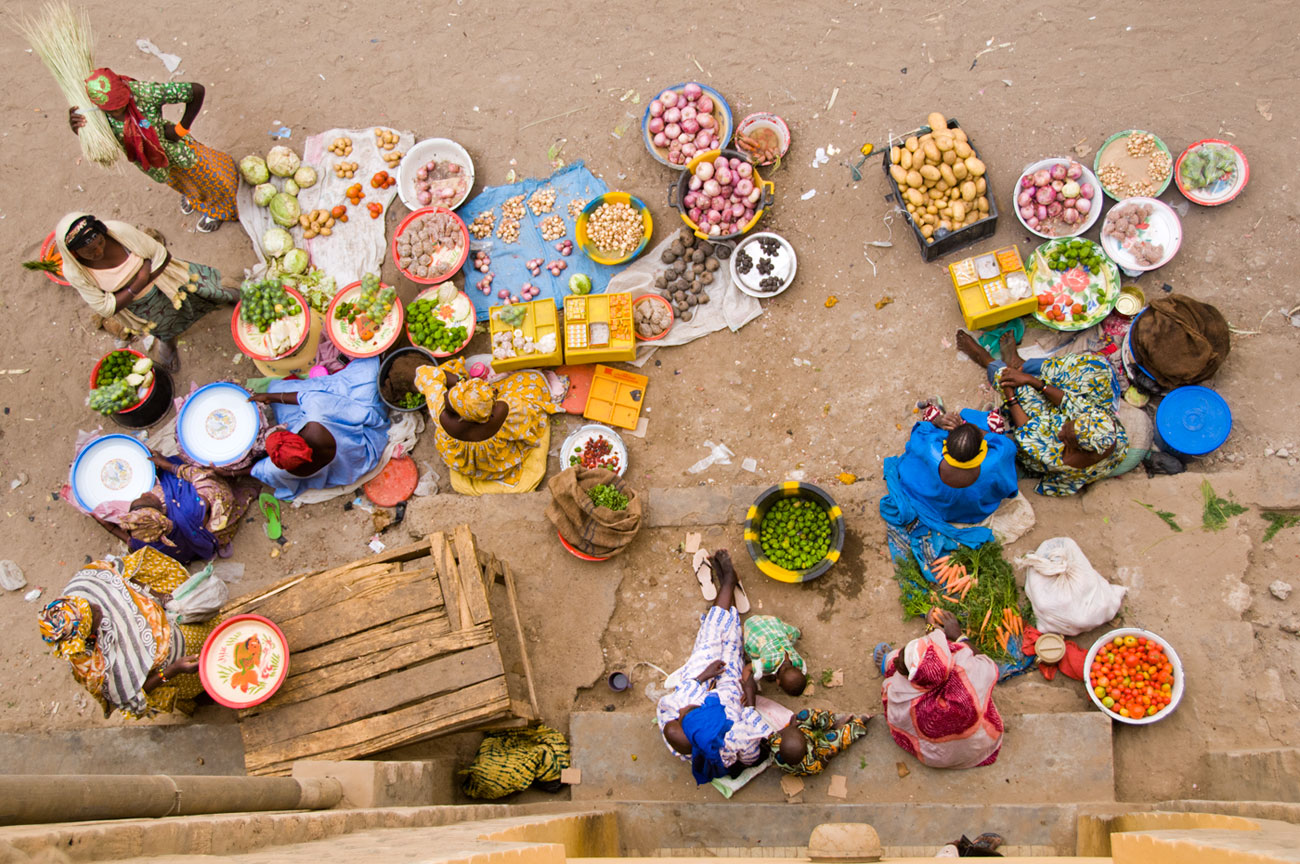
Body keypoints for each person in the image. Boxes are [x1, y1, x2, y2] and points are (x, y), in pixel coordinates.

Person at [38, 547, 220, 718]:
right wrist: (173, 670)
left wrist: (155, 594)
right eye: (94, 615)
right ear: (89, 633)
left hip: (181, 628)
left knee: (219, 640)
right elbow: (133, 694)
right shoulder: (100, 672)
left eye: (91, 605)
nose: (97, 607)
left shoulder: (83, 591)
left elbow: (120, 576)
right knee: (209, 680)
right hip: (177, 668)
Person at [54, 213, 237, 369]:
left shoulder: (118, 232)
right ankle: (168, 343)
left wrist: (130, 288)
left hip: (167, 277)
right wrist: (140, 280)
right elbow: (105, 308)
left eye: (100, 242)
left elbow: (161, 256)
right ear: (75, 254)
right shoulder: (75, 272)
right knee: (165, 326)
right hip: (141, 306)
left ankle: (229, 294)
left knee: (205, 290)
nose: (98, 251)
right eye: (89, 251)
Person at [957, 331, 1128, 497]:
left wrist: (1010, 396)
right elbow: (1069, 402)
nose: (1062, 433)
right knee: (1097, 370)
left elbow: (1027, 431)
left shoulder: (1057, 457)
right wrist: (1034, 381)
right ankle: (1021, 365)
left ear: (1078, 448)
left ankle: (988, 361)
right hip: (1063, 422)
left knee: (1015, 385)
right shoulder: (1103, 429)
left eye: (1066, 438)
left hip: (1034, 437)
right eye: (1068, 426)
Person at [657, 551, 776, 784]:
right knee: (731, 645)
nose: (683, 711)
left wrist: (704, 676)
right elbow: (755, 743)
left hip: (698, 680)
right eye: (690, 711)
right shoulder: (734, 739)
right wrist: (749, 692)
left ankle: (728, 585)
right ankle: (729, 586)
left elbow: (684, 696)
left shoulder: (676, 715)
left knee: (710, 637)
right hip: (731, 692)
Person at [72, 68, 238, 232]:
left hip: (176, 151)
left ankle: (219, 210)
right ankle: (196, 199)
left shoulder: (145, 93)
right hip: (152, 163)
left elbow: (196, 91)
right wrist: (77, 126)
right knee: (179, 182)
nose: (118, 110)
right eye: (112, 109)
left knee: (207, 177)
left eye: (121, 103)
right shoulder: (95, 114)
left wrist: (180, 130)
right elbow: (94, 141)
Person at [880, 394, 1020, 578]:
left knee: (934, 424)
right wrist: (977, 432)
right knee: (984, 422)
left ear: (945, 446)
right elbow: (1006, 455)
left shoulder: (931, 449)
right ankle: (978, 423)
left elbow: (920, 433)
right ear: (981, 451)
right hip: (971, 513)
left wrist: (939, 421)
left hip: (929, 503)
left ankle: (937, 413)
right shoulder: (994, 462)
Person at [249, 357, 390, 500]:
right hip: (359, 456)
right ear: (294, 435)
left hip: (346, 473)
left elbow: (256, 471)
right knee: (365, 372)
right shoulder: (318, 416)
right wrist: (270, 397)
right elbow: (305, 397)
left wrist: (230, 473)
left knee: (276, 389)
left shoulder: (275, 470)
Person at [877, 610, 1003, 770]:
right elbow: (984, 660)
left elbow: (896, 717)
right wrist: (958, 635)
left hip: (936, 757)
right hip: (981, 744)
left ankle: (888, 661)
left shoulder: (900, 693)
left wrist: (930, 628)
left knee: (892, 671)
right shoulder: (967, 670)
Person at [415, 357, 560, 494]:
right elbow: (527, 420)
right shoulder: (501, 411)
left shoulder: (443, 416)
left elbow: (426, 373)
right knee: (534, 382)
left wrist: (460, 380)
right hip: (498, 459)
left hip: (466, 462)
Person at [92, 452, 258, 564]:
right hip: (208, 524)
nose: (144, 493)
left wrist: (108, 526)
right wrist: (168, 466)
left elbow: (130, 542)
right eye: (147, 498)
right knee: (208, 483)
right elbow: (208, 483)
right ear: (159, 510)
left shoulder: (145, 542)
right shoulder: (190, 509)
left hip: (191, 542)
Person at [771, 709, 871, 776]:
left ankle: (832, 724)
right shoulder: (807, 764)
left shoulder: (776, 742)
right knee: (835, 742)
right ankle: (856, 727)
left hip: (796, 730)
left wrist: (792, 727)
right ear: (806, 750)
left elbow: (779, 733)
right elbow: (820, 767)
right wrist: (827, 757)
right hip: (815, 748)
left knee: (805, 714)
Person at [742, 615, 808, 696]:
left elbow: (803, 670)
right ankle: (742, 632)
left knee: (790, 633)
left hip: (772, 622)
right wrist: (748, 690)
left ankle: (798, 633)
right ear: (778, 682)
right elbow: (747, 669)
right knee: (755, 655)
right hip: (751, 627)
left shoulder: (798, 661)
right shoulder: (767, 663)